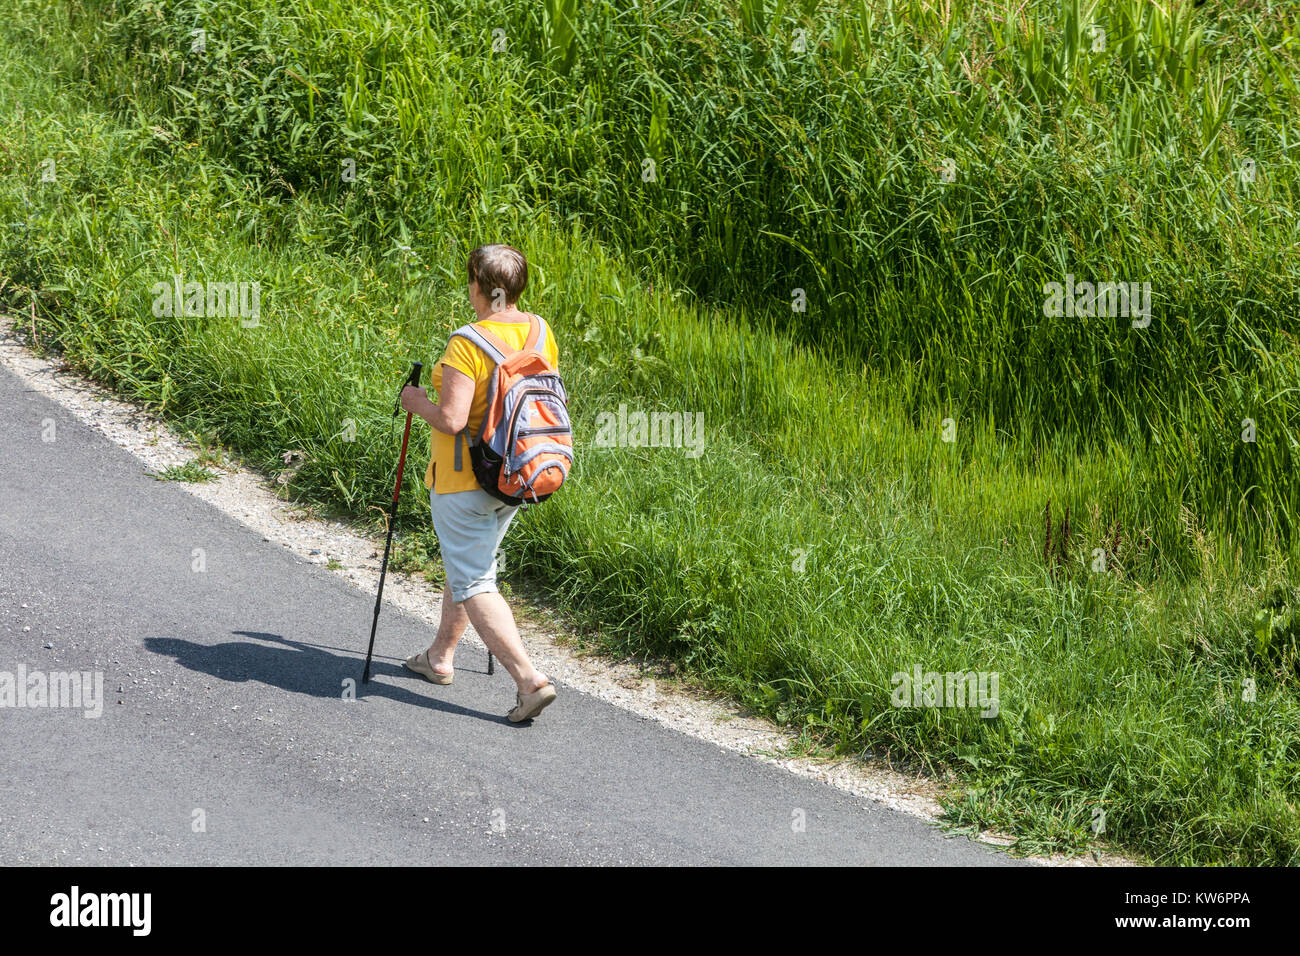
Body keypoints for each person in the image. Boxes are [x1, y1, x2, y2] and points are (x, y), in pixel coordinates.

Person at [399, 243, 558, 723]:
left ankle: (530, 682)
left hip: (463, 480)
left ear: (478, 286)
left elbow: (450, 420)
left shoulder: (466, 343)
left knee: (473, 579)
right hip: (516, 472)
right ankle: (440, 658)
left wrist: (414, 401)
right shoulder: (538, 330)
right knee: (469, 568)